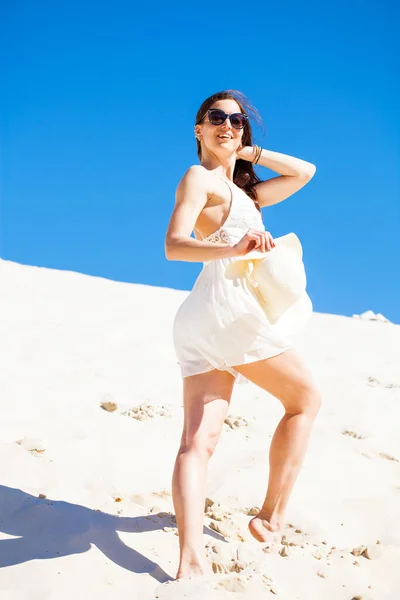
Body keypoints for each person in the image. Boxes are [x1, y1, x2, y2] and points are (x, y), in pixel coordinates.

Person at [164, 89, 321, 580]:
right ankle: (271, 518)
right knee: (305, 400)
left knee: (199, 441)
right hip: (225, 313)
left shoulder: (248, 194)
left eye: (236, 120)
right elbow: (174, 244)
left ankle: (191, 559)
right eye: (216, 118)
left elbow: (304, 172)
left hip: (199, 321)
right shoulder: (198, 178)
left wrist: (246, 151)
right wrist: (232, 247)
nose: (227, 125)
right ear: (198, 128)